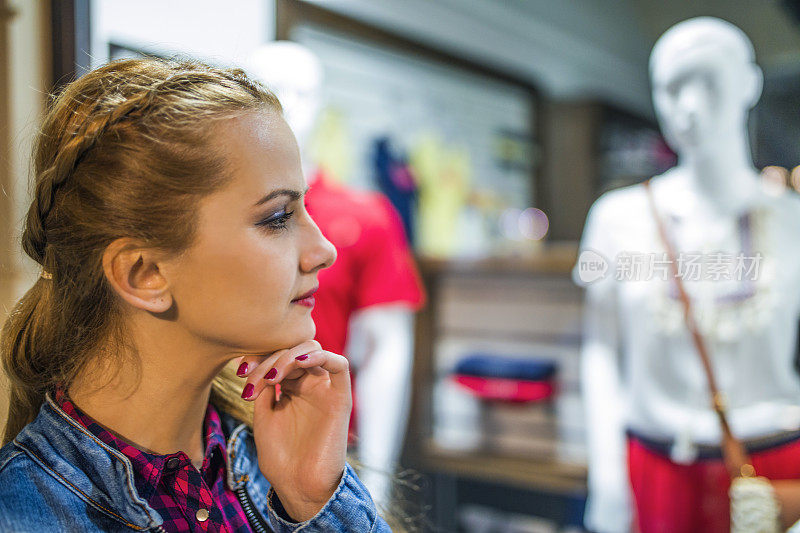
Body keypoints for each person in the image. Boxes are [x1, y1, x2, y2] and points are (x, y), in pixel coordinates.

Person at [0, 57, 392, 532]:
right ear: (145, 274)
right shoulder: (25, 513)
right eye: (277, 218)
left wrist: (315, 500)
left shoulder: (272, 463)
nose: (325, 250)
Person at [575, 17, 800, 533]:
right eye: (673, 87)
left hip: (777, 469)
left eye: (710, 81)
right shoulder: (616, 217)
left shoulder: (793, 219)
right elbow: (600, 348)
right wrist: (606, 475)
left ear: (749, 84)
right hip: (656, 468)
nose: (691, 106)